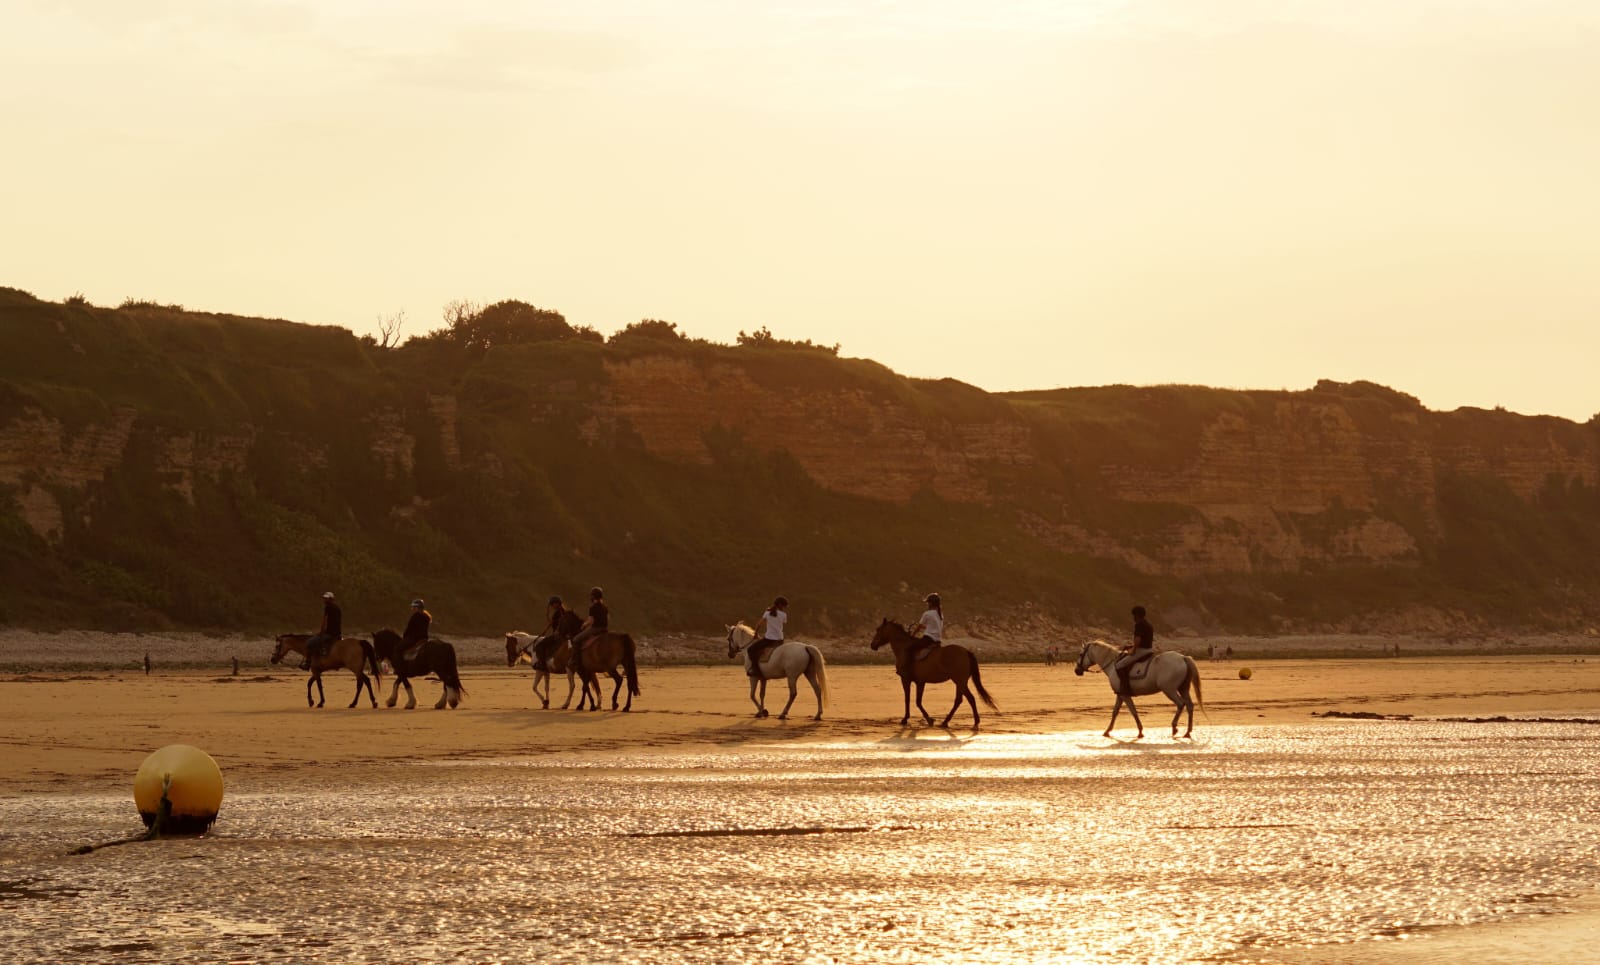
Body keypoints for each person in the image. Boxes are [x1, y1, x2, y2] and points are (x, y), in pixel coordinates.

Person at [1114, 605, 1155, 694]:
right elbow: (1144, 640)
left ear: (1136, 615)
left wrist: (1133, 649)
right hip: (1149, 649)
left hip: (1141, 651)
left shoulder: (1139, 624)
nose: (1133, 618)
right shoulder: (1148, 624)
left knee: (1119, 665)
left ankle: (1126, 688)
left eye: (1134, 616)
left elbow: (1138, 639)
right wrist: (1130, 646)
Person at [535, 595, 581, 669]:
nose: (552, 606)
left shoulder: (560, 613)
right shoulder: (562, 612)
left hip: (559, 635)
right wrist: (544, 631)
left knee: (539, 646)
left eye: (553, 604)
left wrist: (554, 632)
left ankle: (542, 665)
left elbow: (558, 625)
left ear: (557, 603)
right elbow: (552, 623)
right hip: (559, 634)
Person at [300, 591, 342, 670]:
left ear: (331, 599)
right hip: (337, 633)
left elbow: (324, 621)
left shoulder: (328, 607)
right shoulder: (337, 608)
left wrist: (321, 632)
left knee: (309, 643)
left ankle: (307, 663)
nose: (325, 600)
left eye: (326, 599)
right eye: (324, 599)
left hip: (330, 633)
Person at [747, 596, 787, 675]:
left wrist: (755, 634)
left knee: (750, 650)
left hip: (769, 640)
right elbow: (782, 623)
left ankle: (755, 669)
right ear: (780, 605)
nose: (785, 608)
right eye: (784, 606)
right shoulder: (784, 615)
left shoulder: (767, 613)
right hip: (780, 640)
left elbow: (759, 624)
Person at [904, 592, 943, 675]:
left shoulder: (927, 614)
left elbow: (919, 627)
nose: (927, 604)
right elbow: (933, 626)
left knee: (909, 648)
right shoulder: (940, 614)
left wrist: (912, 635)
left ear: (931, 603)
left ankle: (907, 669)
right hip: (938, 640)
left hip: (928, 639)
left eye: (928, 602)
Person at [571, 587, 609, 666]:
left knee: (576, 639)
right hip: (605, 629)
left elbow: (590, 621)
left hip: (596, 629)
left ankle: (575, 660)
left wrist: (583, 626)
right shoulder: (605, 607)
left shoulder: (593, 607)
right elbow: (608, 618)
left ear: (593, 596)